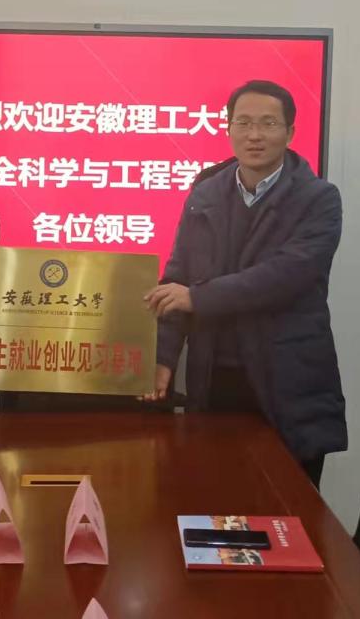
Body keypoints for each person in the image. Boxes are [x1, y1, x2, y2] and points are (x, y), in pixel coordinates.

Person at [144, 80, 346, 486]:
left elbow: (285, 276)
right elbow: (177, 278)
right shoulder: (206, 192)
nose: (255, 135)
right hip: (215, 381)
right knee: (212, 500)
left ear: (290, 132)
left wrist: (198, 298)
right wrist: (163, 357)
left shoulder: (319, 199)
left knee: (287, 509)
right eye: (244, 123)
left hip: (286, 382)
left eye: (268, 124)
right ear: (228, 128)